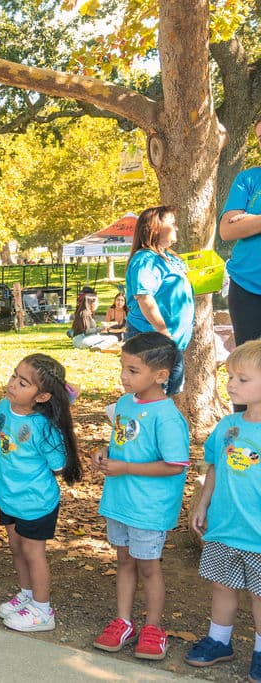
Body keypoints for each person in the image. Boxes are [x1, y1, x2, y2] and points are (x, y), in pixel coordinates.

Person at [91, 332, 189, 661]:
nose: (123, 376)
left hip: (148, 509)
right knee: (123, 561)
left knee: (148, 568)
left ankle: (153, 627)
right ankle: (123, 621)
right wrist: (105, 452)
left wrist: (127, 467)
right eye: (123, 367)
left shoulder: (167, 416)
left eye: (133, 370)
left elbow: (174, 466)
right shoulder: (124, 403)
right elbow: (122, 444)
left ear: (160, 376)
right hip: (120, 502)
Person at [184, 339, 261, 680]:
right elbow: (214, 467)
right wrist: (202, 504)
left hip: (257, 534)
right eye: (230, 377)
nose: (231, 384)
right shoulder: (228, 425)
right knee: (222, 586)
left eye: (242, 379)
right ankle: (219, 641)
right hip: (225, 527)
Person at [0, 354, 83, 633]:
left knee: (34, 553)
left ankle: (43, 610)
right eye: (13, 376)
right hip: (9, 496)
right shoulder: (3, 407)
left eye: (23, 383)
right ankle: (27, 594)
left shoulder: (44, 428)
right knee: (16, 547)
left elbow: (57, 465)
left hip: (36, 502)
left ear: (42, 396)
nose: (13, 385)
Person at [124, 206, 194, 395]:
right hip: (151, 338)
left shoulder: (170, 257)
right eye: (172, 223)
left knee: (167, 393)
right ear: (155, 228)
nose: (176, 228)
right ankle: (131, 423)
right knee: (148, 395)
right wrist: (162, 331)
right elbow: (144, 298)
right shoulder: (146, 259)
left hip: (170, 341)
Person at [219, 116, 261, 362]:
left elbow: (241, 225)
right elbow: (227, 230)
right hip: (246, 288)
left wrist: (250, 219)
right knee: (248, 367)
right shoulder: (248, 179)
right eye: (260, 139)